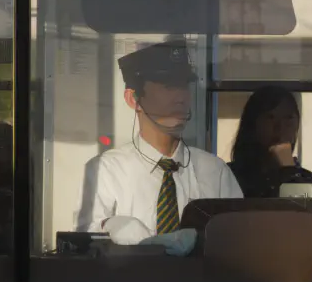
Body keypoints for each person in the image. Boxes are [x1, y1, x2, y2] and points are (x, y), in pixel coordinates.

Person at [87, 40, 240, 243]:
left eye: (184, 85)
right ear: (134, 99)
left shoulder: (215, 172)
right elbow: (85, 239)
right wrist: (108, 226)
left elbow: (241, 239)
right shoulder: (106, 171)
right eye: (168, 86)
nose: (180, 97)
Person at [230, 86, 312, 199]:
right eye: (270, 117)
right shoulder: (231, 175)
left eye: (288, 118)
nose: (280, 127)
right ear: (253, 124)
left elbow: (302, 211)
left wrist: (289, 169)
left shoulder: (307, 180)